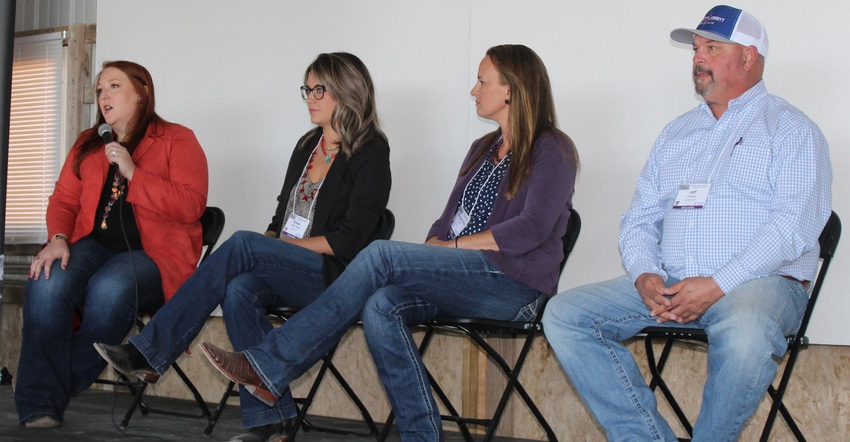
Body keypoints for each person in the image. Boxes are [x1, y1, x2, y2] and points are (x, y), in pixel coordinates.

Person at [197, 44, 578, 442]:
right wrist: (434, 246)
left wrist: (447, 250)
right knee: (381, 305)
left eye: (483, 81)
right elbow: (446, 221)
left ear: (512, 90)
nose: (473, 90)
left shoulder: (552, 147)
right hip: (463, 276)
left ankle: (270, 365)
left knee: (380, 254)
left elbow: (532, 228)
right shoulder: (482, 149)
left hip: (513, 286)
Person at [542, 5, 832, 441]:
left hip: (759, 284)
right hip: (673, 284)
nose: (698, 58)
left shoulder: (791, 130)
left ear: (749, 58)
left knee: (746, 334)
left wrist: (717, 284)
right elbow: (638, 219)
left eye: (712, 48)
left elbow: (794, 227)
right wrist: (645, 276)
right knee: (565, 314)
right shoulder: (677, 133)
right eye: (696, 49)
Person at [95, 52, 391, 442]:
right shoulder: (307, 145)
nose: (310, 97)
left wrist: (280, 248)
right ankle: (271, 424)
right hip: (291, 266)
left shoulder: (371, 150)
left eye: (320, 88)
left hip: (336, 275)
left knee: (242, 245)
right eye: (308, 88)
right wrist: (272, 245)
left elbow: (350, 241)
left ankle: (150, 352)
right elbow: (279, 220)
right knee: (239, 289)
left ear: (347, 90)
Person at [15, 61, 209, 428]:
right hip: (94, 245)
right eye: (100, 89)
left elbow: (191, 205)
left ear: (142, 93)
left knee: (109, 289)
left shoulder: (177, 139)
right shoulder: (89, 145)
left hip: (153, 255)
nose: (104, 96)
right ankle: (40, 404)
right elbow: (64, 201)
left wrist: (135, 172)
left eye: (114, 86)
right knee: (45, 281)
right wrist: (58, 239)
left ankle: (45, 392)